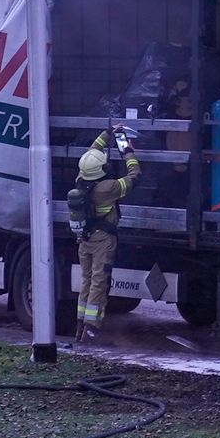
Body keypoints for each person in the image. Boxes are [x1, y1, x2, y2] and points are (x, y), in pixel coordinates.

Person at [75, 124, 141, 343]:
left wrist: (107, 132)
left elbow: (92, 152)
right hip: (103, 240)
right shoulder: (108, 188)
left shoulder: (81, 178)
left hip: (85, 238)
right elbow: (135, 176)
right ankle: (91, 329)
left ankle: (80, 326)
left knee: (87, 280)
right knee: (99, 282)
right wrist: (127, 151)